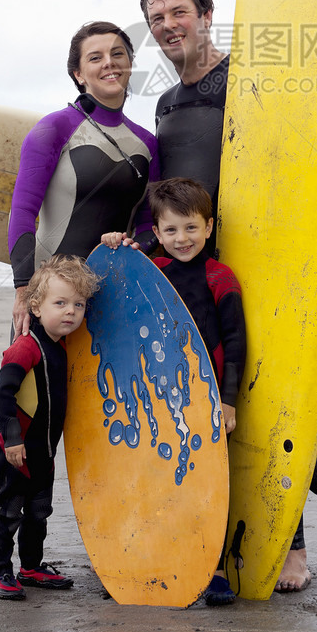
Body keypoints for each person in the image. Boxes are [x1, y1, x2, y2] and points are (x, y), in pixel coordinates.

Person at [139, 0, 317, 593]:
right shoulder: (166, 102)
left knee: (269, 391)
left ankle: (291, 540)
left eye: (178, 13)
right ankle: (209, 540)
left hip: (262, 256)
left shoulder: (247, 77)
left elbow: (311, 119)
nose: (168, 25)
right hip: (197, 265)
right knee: (202, 401)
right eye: (156, 18)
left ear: (204, 15)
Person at [103, 176, 246, 606]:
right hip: (159, 398)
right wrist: (116, 244)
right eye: (170, 230)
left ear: (208, 226)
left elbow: (237, 341)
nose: (181, 239)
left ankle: (216, 570)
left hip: (206, 398)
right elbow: (114, 291)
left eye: (190, 228)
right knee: (159, 482)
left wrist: (227, 399)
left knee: (208, 487)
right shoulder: (153, 270)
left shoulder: (220, 277)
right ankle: (155, 562)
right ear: (157, 232)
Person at [8, 21, 159, 338]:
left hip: (115, 299)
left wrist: (138, 248)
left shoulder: (147, 144)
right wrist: (24, 289)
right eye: (95, 57)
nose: (109, 62)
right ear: (78, 74)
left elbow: (148, 224)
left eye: (118, 54)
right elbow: (22, 212)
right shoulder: (54, 128)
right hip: (50, 299)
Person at [0, 254, 101, 600]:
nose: (70, 311)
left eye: (78, 304)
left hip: (43, 453)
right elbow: (4, 392)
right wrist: (12, 439)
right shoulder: (26, 347)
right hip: (14, 452)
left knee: (38, 513)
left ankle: (31, 567)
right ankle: (1, 572)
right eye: (60, 303)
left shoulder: (63, 346)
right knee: (7, 514)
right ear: (35, 307)